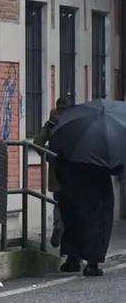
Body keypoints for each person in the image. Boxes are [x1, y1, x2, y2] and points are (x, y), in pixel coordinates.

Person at [55, 156, 116, 276]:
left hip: (72, 181)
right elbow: (115, 168)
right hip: (99, 185)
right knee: (98, 223)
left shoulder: (71, 141)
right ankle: (92, 264)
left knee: (74, 220)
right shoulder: (103, 144)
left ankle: (73, 259)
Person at [33, 96, 71, 249]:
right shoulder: (73, 121)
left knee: (58, 200)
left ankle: (58, 224)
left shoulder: (50, 123)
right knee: (72, 202)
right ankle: (67, 233)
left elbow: (37, 143)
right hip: (72, 167)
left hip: (56, 167)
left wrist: (49, 156)